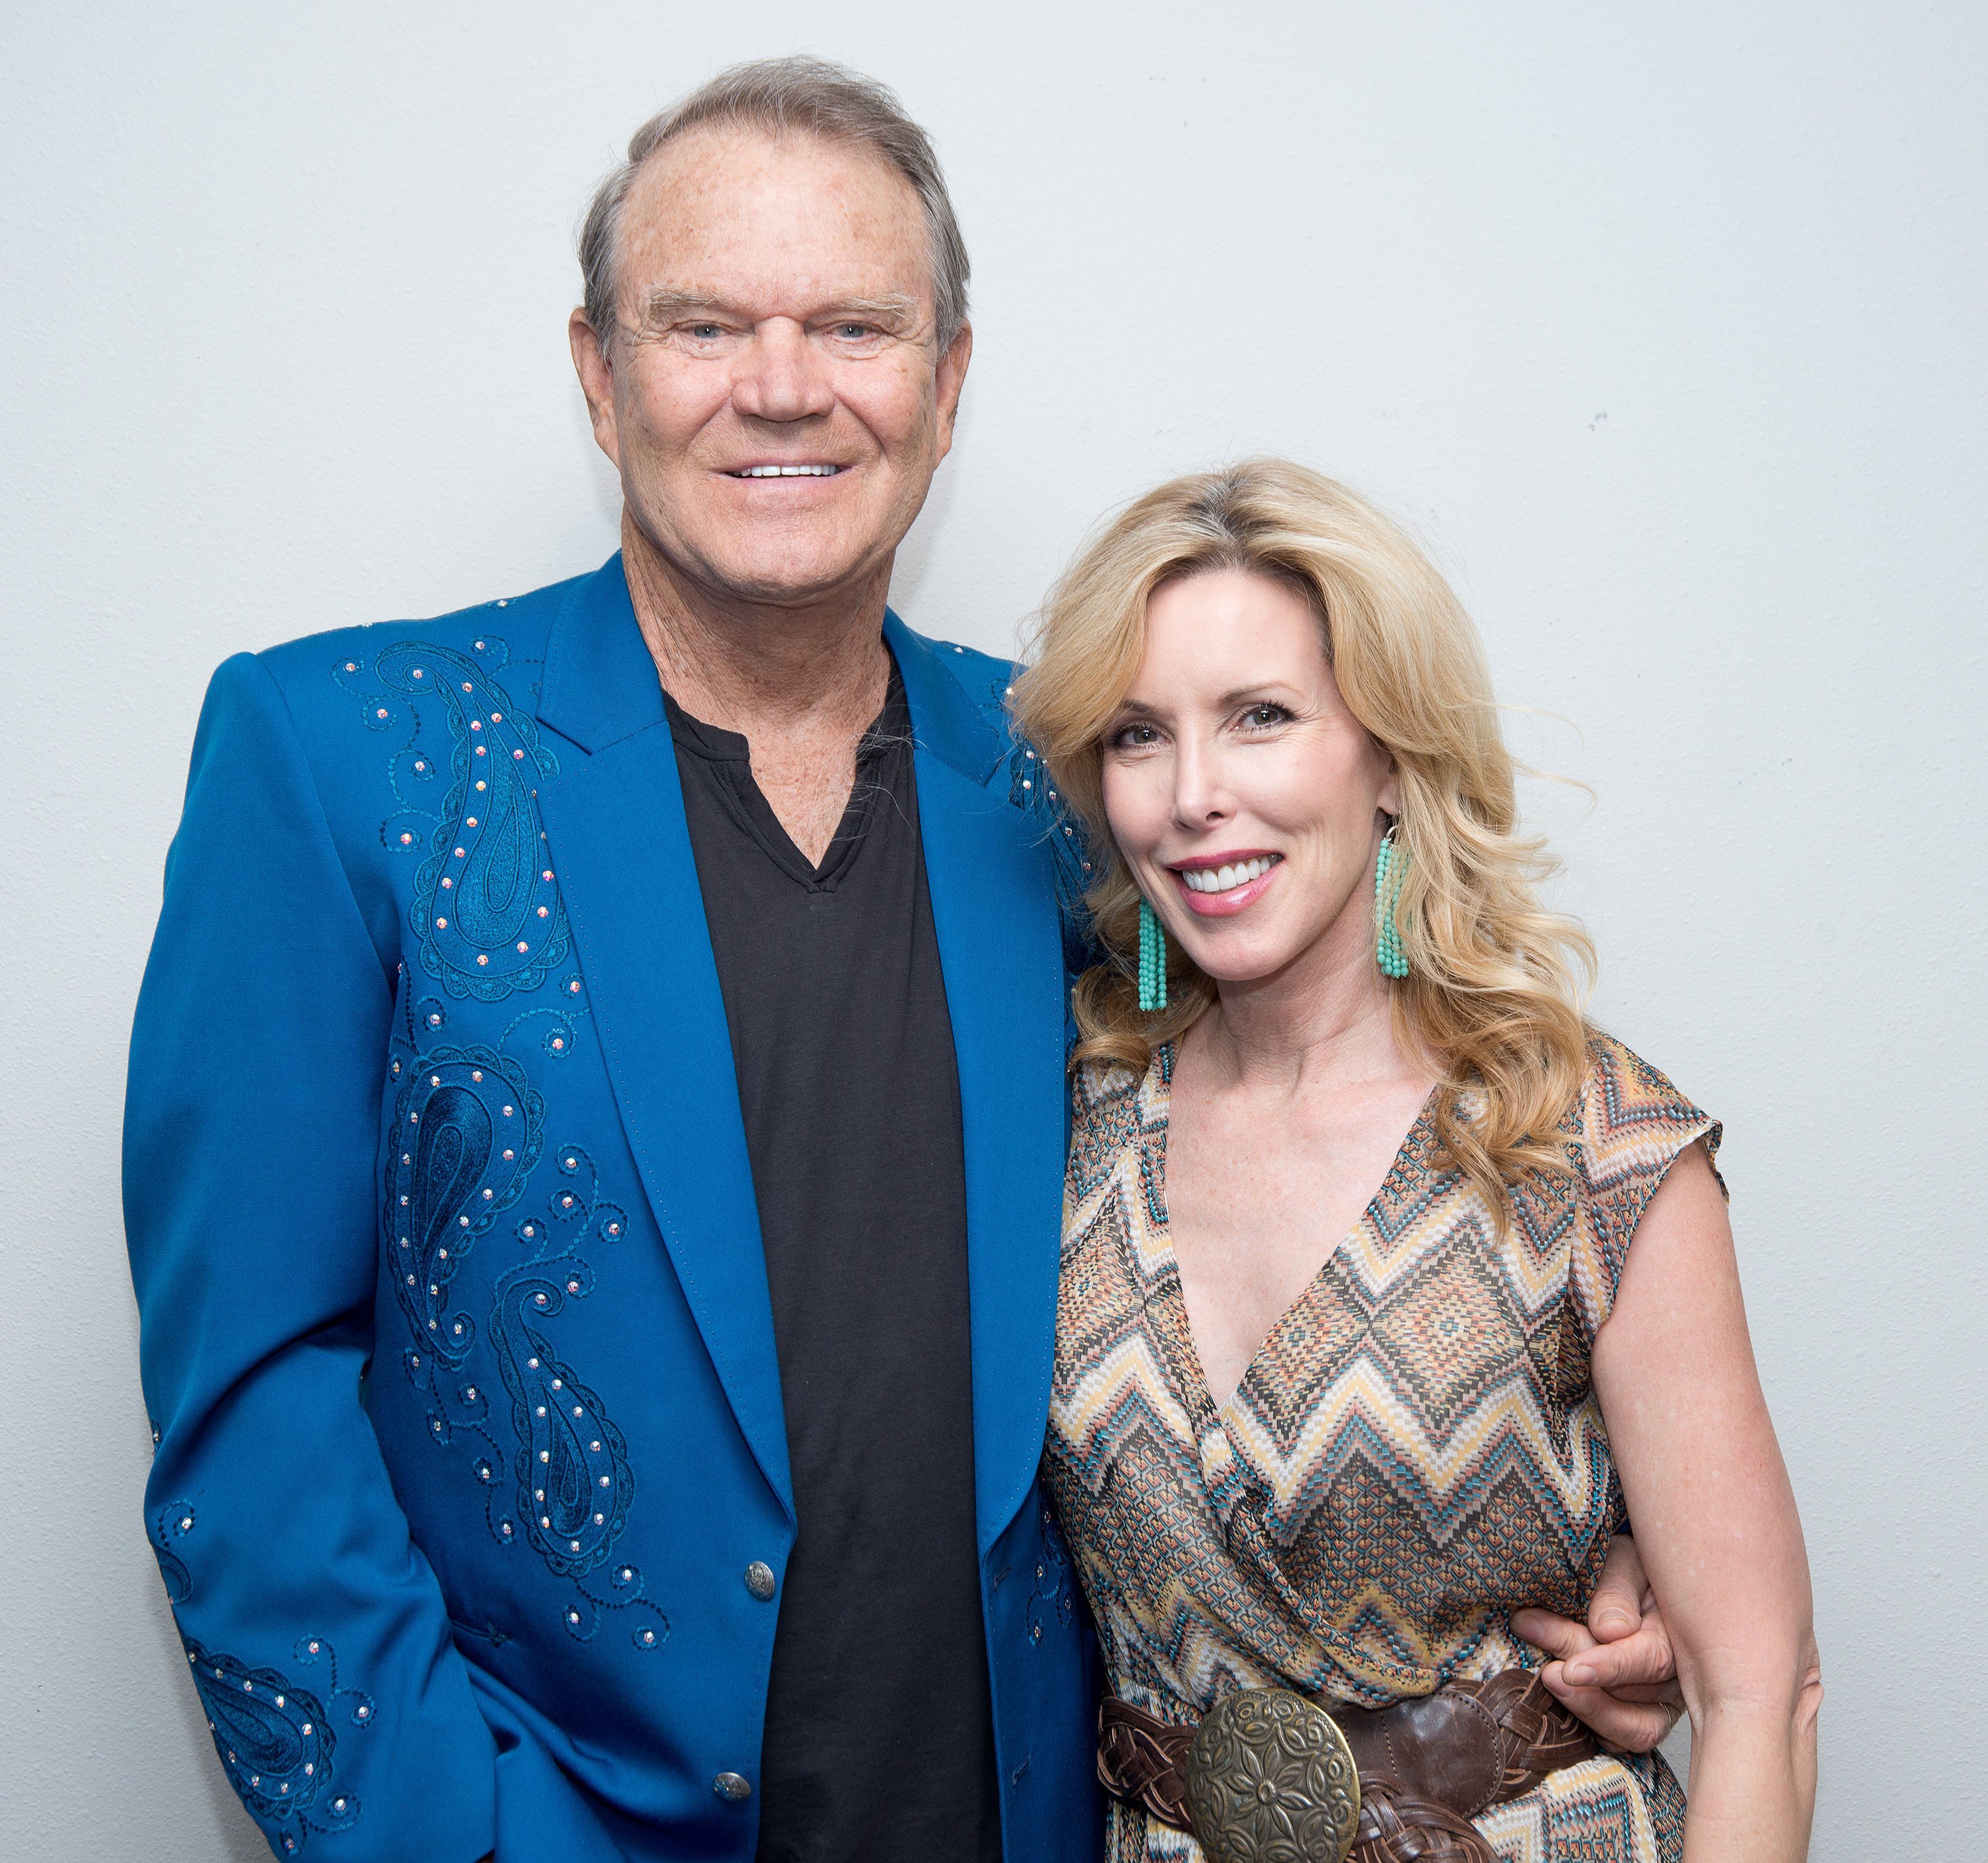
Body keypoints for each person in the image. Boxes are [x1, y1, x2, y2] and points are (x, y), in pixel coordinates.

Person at [124, 59, 1681, 1863]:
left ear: (943, 389)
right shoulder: (344, 756)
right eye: (703, 322)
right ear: (596, 371)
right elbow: (250, 1390)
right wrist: (430, 1833)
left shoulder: (1072, 775)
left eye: (855, 325)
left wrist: (1604, 1533)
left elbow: (1318, 1157)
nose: (782, 387)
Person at [1013, 459, 1821, 1863]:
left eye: (1260, 718)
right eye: (1141, 735)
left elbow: (1762, 1696)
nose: (1195, 795)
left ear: (1388, 753)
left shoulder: (1589, 1143)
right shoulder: (1066, 1125)